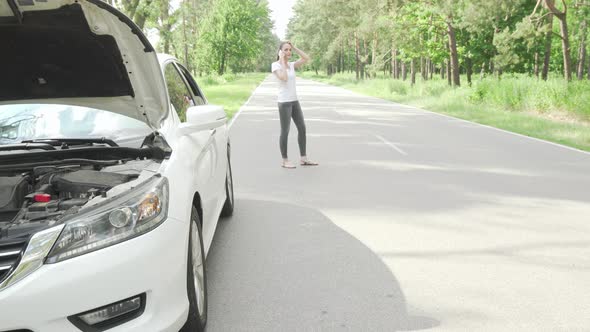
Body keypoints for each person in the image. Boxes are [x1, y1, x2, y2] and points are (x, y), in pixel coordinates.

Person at [271, 41, 318, 169]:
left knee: (302, 128)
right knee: (285, 131)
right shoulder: (275, 65)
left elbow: (306, 58)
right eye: (285, 50)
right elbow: (284, 78)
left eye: (289, 50)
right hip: (284, 102)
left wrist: (295, 47)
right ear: (280, 51)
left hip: (294, 101)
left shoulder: (291, 65)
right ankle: (285, 160)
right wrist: (281, 60)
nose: (288, 52)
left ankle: (303, 158)